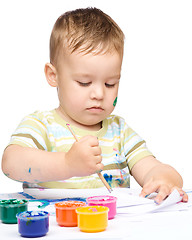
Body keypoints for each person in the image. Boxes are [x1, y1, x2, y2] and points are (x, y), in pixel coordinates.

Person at [1, 7, 188, 204]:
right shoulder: (41, 125)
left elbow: (152, 167)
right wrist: (67, 164)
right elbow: (10, 163)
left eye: (110, 84)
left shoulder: (120, 132)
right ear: (53, 76)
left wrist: (164, 180)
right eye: (84, 83)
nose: (99, 94)